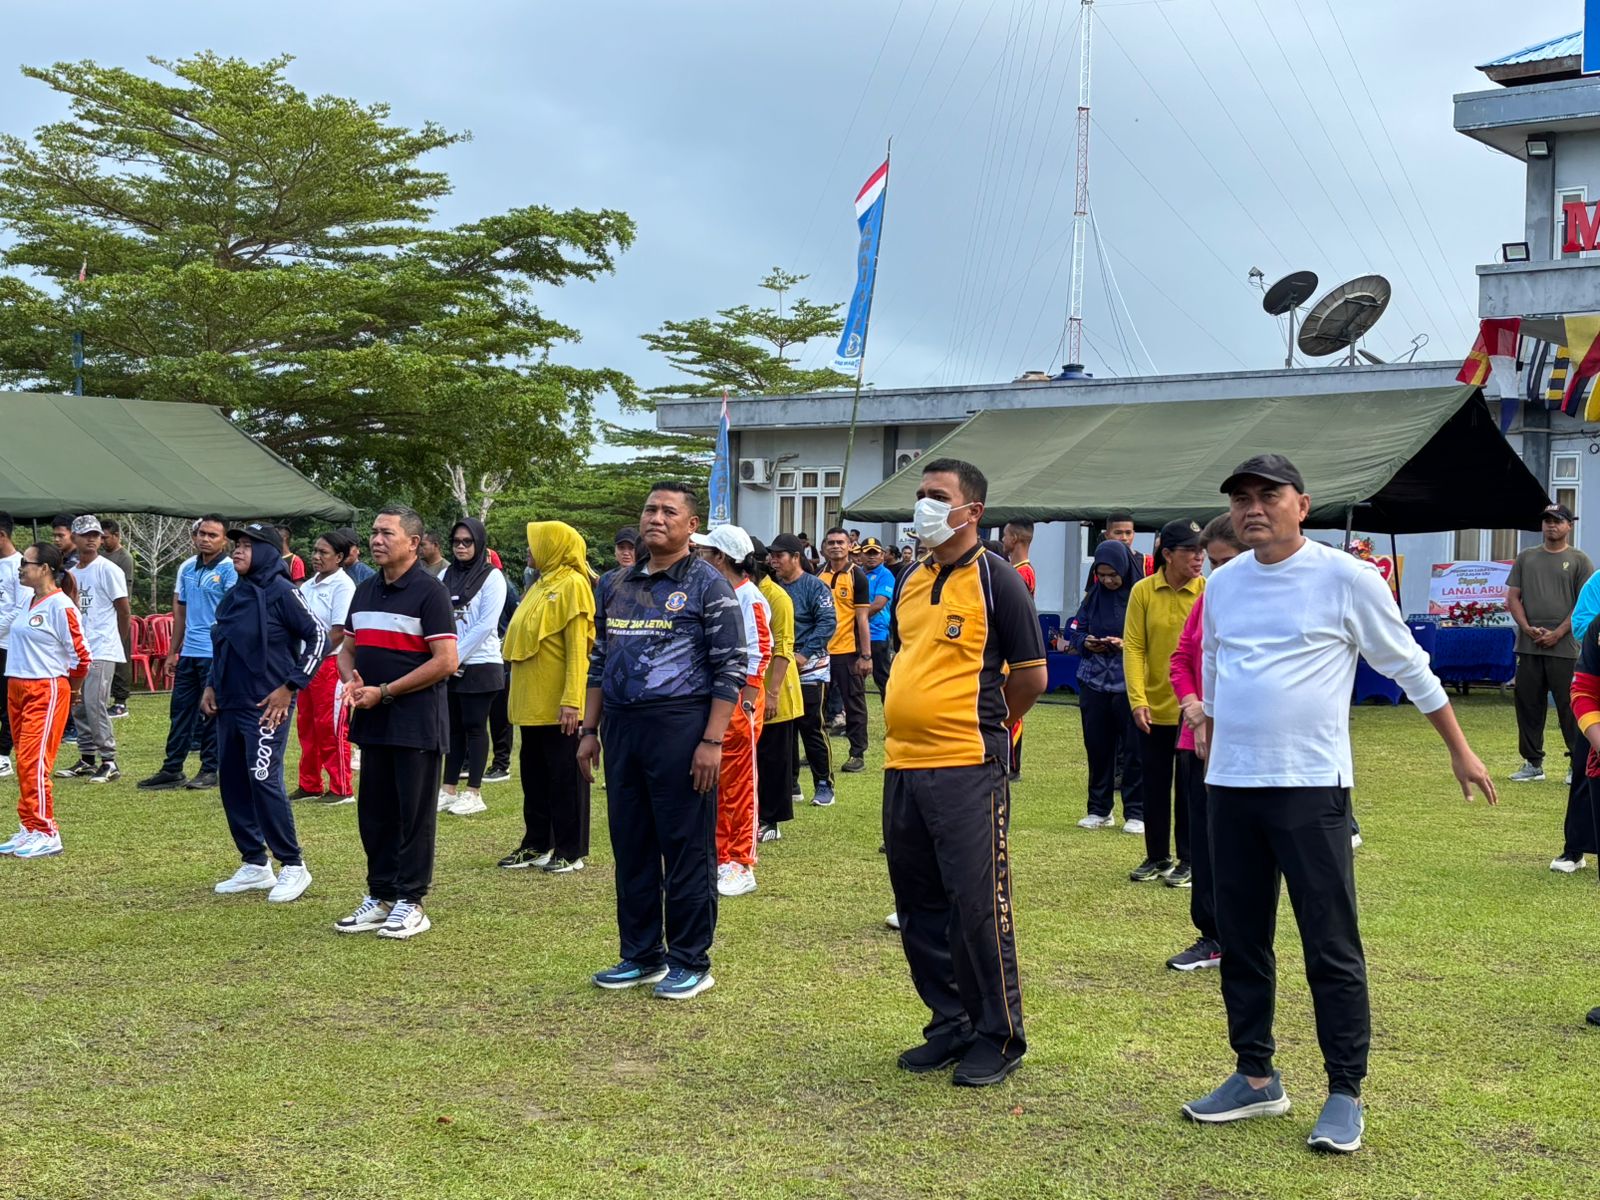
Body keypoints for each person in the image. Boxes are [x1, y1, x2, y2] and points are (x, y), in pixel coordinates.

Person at [1184, 453, 1497, 1153]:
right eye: (1241, 498)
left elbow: (1406, 662)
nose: (1252, 508)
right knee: (1241, 938)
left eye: (1269, 495)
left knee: (1330, 942)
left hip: (1309, 786)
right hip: (1231, 785)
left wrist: (1459, 746)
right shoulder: (1225, 581)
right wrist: (1205, 729)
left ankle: (1344, 1091)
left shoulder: (1346, 577)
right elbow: (1214, 662)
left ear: (1303, 503)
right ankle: (1256, 1076)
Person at [885, 458, 1047, 1088]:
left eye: (937, 496)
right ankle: (948, 1022)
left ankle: (999, 1034)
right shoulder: (910, 577)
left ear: (971, 511)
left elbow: (1032, 675)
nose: (924, 505)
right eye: (920, 495)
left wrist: (987, 729)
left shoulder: (999, 580)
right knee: (919, 902)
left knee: (978, 905)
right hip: (904, 764)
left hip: (966, 767)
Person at [578, 482, 743, 1001]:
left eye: (670, 511)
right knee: (632, 846)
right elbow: (600, 659)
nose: (656, 518)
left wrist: (711, 741)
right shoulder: (614, 584)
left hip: (682, 727)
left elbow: (731, 667)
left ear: (692, 526)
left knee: (686, 848)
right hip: (623, 729)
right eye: (650, 509)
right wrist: (588, 732)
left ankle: (690, 960)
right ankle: (641, 954)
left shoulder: (707, 584)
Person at [334, 506, 459, 941]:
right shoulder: (365, 589)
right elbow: (347, 648)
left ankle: (411, 900)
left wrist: (385, 691)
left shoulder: (430, 592)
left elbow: (446, 661)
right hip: (373, 721)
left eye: (387, 533)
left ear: (413, 542)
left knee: (414, 815)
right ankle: (381, 894)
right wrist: (351, 679)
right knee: (376, 814)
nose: (377, 539)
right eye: (373, 532)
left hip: (416, 723)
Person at [203, 523, 325, 903]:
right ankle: (255, 864)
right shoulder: (235, 593)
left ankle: (293, 864)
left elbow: (318, 636)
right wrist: (210, 684)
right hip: (230, 702)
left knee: (263, 779)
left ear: (269, 552)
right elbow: (222, 643)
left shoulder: (283, 592)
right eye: (236, 545)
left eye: (247, 546)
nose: (237, 551)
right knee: (234, 781)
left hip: (266, 706)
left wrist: (290, 687)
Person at [1164, 513, 1247, 971]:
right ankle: (1211, 935)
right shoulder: (1210, 597)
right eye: (1212, 562)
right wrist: (1193, 705)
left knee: (1244, 847)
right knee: (1203, 841)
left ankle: (1245, 937)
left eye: (1227, 560)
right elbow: (1181, 658)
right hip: (1196, 741)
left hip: (1243, 744)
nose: (1218, 571)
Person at [499, 521, 594, 874]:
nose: (528, 550)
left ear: (554, 546)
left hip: (559, 704)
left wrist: (573, 700)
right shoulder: (540, 583)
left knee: (566, 777)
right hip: (531, 703)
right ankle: (537, 843)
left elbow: (577, 650)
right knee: (535, 777)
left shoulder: (573, 585)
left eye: (535, 544)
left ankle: (570, 849)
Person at [1122, 519, 1206, 884]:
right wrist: (1137, 699)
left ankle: (1190, 859)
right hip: (1154, 708)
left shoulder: (1209, 591)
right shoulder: (1143, 591)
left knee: (1190, 790)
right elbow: (1135, 647)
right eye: (1190, 550)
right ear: (1167, 554)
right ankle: (1157, 856)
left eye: (1201, 549)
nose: (1199, 557)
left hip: (1193, 711)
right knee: (1154, 784)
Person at [691, 524, 771, 897]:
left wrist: (748, 702)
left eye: (706, 553)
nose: (699, 557)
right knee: (716, 787)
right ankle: (720, 856)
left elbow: (759, 653)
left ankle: (741, 862)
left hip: (737, 704)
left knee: (739, 788)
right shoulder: (716, 592)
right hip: (713, 701)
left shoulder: (749, 596)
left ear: (720, 558)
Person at [1, 544, 90, 858]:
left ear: (46, 569)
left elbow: (81, 657)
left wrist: (74, 691)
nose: (21, 567)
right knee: (23, 762)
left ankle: (47, 831)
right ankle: (29, 828)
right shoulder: (28, 600)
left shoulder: (61, 606)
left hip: (46, 688)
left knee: (33, 762)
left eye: (27, 563)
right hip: (17, 686)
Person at [138, 516, 237, 792]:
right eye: (202, 534)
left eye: (213, 535)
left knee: (211, 713)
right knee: (180, 711)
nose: (205, 539)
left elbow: (232, 615)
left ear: (224, 540)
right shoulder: (187, 568)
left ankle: (208, 769)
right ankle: (172, 769)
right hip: (190, 652)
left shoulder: (229, 570)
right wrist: (172, 651)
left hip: (214, 653)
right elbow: (180, 612)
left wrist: (225, 653)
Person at [1506, 503, 1593, 786]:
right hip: (1529, 645)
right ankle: (1533, 763)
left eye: (1557, 521)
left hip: (1565, 648)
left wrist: (1558, 633)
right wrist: (1527, 627)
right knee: (1528, 704)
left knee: (1571, 706)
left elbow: (1585, 605)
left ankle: (1575, 763)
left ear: (1570, 525)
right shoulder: (1526, 557)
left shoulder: (1580, 560)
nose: (1551, 526)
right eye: (1546, 521)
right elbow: (1513, 598)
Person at [1067, 540, 1144, 833]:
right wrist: (1085, 641)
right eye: (1103, 574)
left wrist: (1126, 644)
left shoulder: (1141, 594)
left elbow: (1148, 636)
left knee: (1135, 750)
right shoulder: (1094, 597)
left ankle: (1136, 812)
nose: (1109, 580)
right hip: (1095, 681)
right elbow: (1074, 628)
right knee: (1098, 746)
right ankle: (1099, 810)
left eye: (1114, 574)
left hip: (1130, 682)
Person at [434, 519, 507, 817]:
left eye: (467, 542)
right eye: (456, 542)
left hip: (481, 662)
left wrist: (452, 657)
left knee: (475, 727)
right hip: (449, 663)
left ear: (479, 544)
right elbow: (438, 617)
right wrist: (445, 659)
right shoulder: (444, 575)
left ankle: (474, 792)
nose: (461, 547)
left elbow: (485, 626)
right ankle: (448, 789)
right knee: (452, 729)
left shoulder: (493, 578)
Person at [57, 516, 129, 784]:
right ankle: (87, 758)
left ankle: (109, 760)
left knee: (95, 703)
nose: (92, 539)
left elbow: (124, 610)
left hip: (101, 647)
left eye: (96, 534)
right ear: (74, 537)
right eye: (85, 534)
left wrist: (115, 642)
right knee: (78, 705)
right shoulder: (73, 572)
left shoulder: (108, 569)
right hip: (78, 648)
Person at [769, 533, 837, 807]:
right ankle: (791, 783)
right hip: (781, 665)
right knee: (784, 728)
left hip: (811, 667)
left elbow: (827, 623)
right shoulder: (773, 587)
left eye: (779, 556)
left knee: (812, 726)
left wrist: (804, 654)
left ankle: (824, 783)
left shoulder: (815, 587)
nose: (774, 561)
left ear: (796, 557)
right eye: (771, 556)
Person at [291, 530, 358, 804]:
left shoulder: (343, 586)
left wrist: (314, 655)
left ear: (339, 558)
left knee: (330, 727)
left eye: (324, 553)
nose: (316, 557)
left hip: (331, 664)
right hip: (309, 664)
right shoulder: (308, 586)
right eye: (315, 551)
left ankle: (341, 788)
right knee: (306, 725)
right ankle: (310, 784)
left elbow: (340, 631)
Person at [752, 537, 800, 843]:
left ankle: (772, 819)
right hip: (756, 687)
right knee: (757, 756)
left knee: (774, 757)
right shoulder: (750, 592)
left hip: (776, 687)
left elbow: (783, 647)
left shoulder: (776, 597)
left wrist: (771, 693)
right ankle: (757, 814)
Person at [820, 527, 871, 771]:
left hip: (847, 652)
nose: (836, 546)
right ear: (824, 547)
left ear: (850, 546)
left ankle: (857, 754)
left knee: (854, 704)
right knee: (816, 706)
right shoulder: (818, 574)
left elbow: (862, 618)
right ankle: (816, 751)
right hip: (820, 651)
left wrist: (866, 655)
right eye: (831, 542)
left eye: (840, 542)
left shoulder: (857, 576)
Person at [1001, 521, 1037, 778]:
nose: (1003, 540)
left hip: (1011, 648)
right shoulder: (1016, 570)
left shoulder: (1021, 573)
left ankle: (1012, 763)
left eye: (1004, 535)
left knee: (1010, 707)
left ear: (1014, 538)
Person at [99, 518, 137, 718]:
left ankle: (121, 701)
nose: (102, 541)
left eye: (105, 537)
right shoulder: (99, 556)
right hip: (101, 615)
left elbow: (125, 594)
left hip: (119, 613)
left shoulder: (124, 558)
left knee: (121, 656)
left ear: (116, 536)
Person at [858, 538, 897, 699]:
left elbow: (878, 604)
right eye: (868, 553)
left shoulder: (886, 575)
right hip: (854, 634)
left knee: (883, 679)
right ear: (861, 555)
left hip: (877, 634)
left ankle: (891, 713)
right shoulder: (856, 573)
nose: (871, 557)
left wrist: (854, 619)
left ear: (882, 556)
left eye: (875, 553)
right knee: (852, 679)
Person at [0, 513, 21, 778]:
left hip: (9, 645)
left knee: (7, 703)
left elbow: (20, 608)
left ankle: (3, 755)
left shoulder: (20, 565)